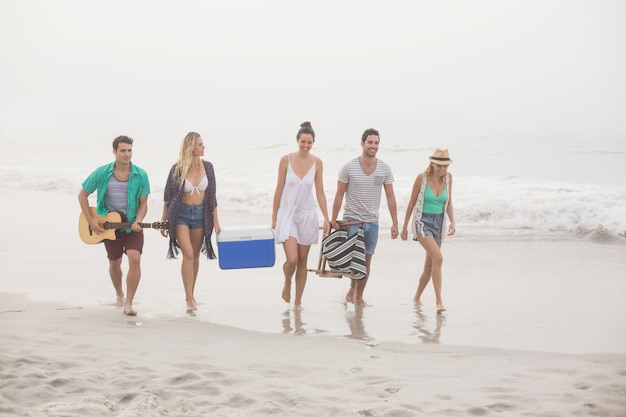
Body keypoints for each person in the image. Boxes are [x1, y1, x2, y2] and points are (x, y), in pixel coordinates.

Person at [78, 135, 150, 316]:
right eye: (123, 150)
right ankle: (119, 293)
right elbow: (82, 195)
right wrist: (91, 219)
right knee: (115, 261)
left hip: (131, 225)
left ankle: (129, 303)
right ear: (114, 151)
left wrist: (139, 221)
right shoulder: (102, 173)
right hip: (109, 226)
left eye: (130, 150)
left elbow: (143, 204)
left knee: (134, 258)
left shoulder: (141, 175)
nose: (127, 154)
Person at [331, 128, 399, 307]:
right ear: (362, 144)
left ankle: (359, 295)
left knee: (367, 260)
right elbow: (339, 194)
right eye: (370, 142)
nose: (373, 146)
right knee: (356, 259)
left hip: (372, 221)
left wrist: (395, 223)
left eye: (376, 143)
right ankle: (353, 288)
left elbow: (390, 196)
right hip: (352, 220)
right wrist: (333, 219)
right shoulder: (348, 167)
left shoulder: (384, 168)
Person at [272, 121, 330, 311]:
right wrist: (274, 217)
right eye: (303, 141)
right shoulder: (285, 160)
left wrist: (327, 218)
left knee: (303, 261)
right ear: (297, 140)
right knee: (292, 260)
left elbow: (320, 192)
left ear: (313, 143)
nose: (306, 145)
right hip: (287, 213)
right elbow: (279, 189)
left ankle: (298, 302)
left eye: (309, 142)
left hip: (307, 215)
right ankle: (287, 281)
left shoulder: (317, 163)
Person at [161, 132, 221, 313]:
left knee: (194, 256)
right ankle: (188, 298)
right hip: (181, 215)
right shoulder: (177, 169)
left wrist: (216, 222)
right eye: (200, 145)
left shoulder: (208, 168)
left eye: (203, 144)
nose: (204, 147)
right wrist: (164, 221)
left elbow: (212, 197)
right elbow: (168, 197)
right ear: (191, 147)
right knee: (187, 254)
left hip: (201, 215)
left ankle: (192, 294)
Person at [400, 148, 456, 312]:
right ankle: (439, 302)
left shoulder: (448, 179)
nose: (442, 170)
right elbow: (411, 203)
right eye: (439, 166)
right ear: (432, 163)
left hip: (439, 223)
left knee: (430, 266)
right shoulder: (422, 178)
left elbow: (449, 203)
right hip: (422, 222)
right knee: (438, 258)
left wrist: (453, 222)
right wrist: (404, 227)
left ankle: (417, 297)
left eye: (445, 166)